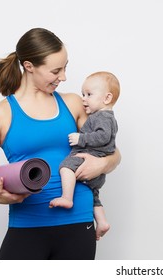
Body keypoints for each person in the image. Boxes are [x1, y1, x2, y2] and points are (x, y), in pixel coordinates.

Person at [0, 28, 121, 260]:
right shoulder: (1, 114)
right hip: (27, 224)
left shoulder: (73, 104)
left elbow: (112, 151)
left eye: (65, 67)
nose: (64, 77)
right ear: (29, 66)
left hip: (79, 223)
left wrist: (103, 164)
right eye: (56, 70)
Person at [50, 71, 120, 241]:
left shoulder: (103, 116)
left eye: (89, 94)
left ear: (107, 98)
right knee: (94, 194)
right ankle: (102, 222)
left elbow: (102, 137)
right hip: (96, 170)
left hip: (91, 157)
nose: (84, 99)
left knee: (65, 167)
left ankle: (67, 198)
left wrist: (81, 138)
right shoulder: (101, 116)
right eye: (83, 94)